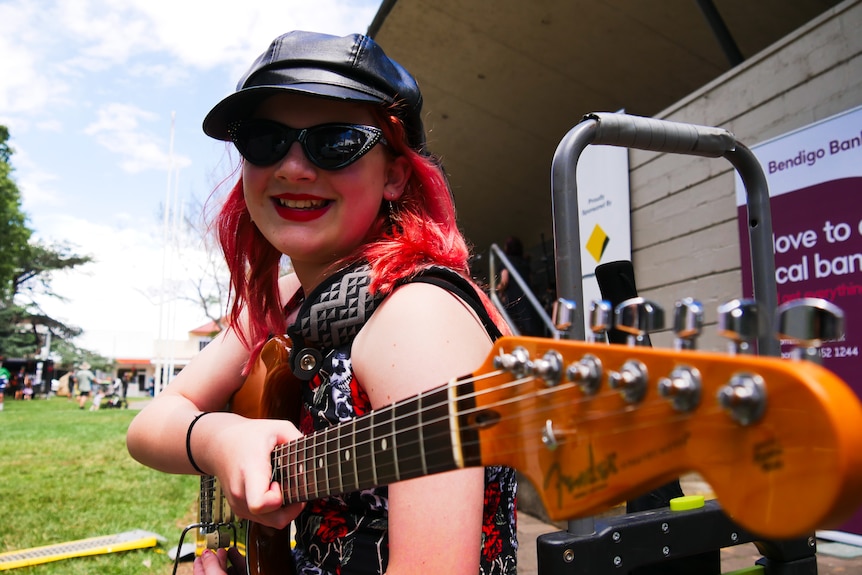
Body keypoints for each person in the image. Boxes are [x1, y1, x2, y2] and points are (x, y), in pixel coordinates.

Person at [126, 31, 517, 575]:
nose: (293, 168)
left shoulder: (416, 316)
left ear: (395, 175)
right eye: (265, 140)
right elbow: (150, 425)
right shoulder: (282, 301)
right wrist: (222, 439)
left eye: (334, 142)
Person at [496, 236, 542, 336]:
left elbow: (504, 281)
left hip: (513, 298)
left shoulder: (506, 261)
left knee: (514, 327)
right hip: (527, 298)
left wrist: (495, 289)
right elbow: (531, 281)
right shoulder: (525, 263)